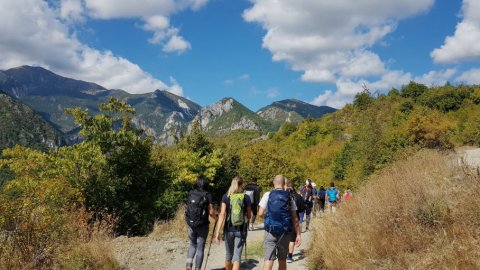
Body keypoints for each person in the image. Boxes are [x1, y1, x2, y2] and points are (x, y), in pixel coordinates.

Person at [259, 175, 301, 270]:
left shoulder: (268, 194)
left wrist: (268, 217)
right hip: (284, 233)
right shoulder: (290, 197)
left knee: (268, 260)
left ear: (273, 183)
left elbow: (260, 213)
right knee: (282, 260)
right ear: (283, 184)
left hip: (270, 231)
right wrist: (298, 234)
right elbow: (295, 218)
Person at [215, 176, 252, 270]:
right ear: (242, 184)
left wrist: (217, 232)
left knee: (228, 254)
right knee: (237, 256)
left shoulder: (226, 196)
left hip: (228, 229)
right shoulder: (246, 197)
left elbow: (222, 214)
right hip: (241, 229)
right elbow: (249, 215)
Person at [185, 176, 216, 270]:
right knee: (200, 248)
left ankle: (188, 265)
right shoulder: (207, 194)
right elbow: (211, 212)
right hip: (202, 225)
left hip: (191, 224)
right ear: (206, 184)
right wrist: (216, 217)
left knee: (192, 244)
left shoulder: (191, 193)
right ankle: (197, 268)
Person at [286, 181, 304, 263]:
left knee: (284, 237)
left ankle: (283, 254)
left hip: (284, 219)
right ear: (294, 187)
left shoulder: (283, 195)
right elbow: (301, 210)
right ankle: (289, 257)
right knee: (292, 239)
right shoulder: (299, 197)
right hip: (294, 220)